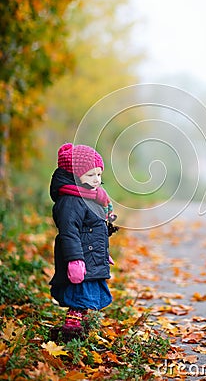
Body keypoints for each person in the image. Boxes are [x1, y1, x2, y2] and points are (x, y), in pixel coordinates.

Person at [49, 143, 116, 341]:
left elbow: (96, 231)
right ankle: (70, 331)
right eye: (90, 175)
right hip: (79, 260)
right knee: (79, 297)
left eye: (99, 174)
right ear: (75, 176)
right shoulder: (71, 201)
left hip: (90, 257)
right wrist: (75, 260)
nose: (96, 180)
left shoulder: (92, 197)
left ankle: (81, 330)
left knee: (87, 298)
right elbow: (69, 232)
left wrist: (103, 253)